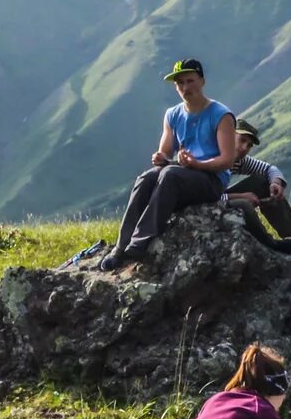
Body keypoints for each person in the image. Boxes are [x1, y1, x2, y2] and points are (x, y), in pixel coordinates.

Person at [96, 58, 242, 270]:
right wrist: (160, 158)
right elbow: (165, 151)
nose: (185, 87)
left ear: (202, 81)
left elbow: (227, 160)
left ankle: (139, 245)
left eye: (190, 81)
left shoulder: (221, 115)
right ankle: (121, 247)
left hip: (211, 181)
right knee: (148, 177)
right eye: (179, 83)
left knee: (170, 175)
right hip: (185, 174)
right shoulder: (173, 114)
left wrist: (197, 164)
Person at [220, 118, 291, 255]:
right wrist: (239, 196)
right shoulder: (212, 155)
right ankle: (270, 246)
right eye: (242, 140)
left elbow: (269, 169)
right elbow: (203, 194)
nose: (244, 148)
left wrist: (275, 183)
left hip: (219, 196)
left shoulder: (238, 160)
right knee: (244, 205)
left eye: (249, 145)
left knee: (264, 181)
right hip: (203, 203)